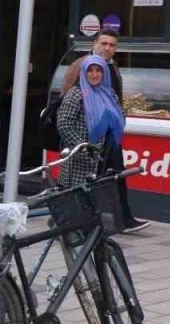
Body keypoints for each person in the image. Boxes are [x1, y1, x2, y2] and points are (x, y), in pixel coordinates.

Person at [62, 30, 148, 233]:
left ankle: (123, 220)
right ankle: (72, 222)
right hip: (88, 136)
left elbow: (114, 96)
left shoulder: (111, 67)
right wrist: (80, 142)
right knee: (83, 181)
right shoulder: (80, 66)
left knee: (116, 176)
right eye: (104, 43)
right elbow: (68, 102)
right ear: (95, 43)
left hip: (110, 135)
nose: (108, 48)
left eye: (112, 45)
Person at [56, 54, 124, 189]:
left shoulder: (109, 94)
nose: (94, 74)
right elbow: (64, 124)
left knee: (100, 199)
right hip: (81, 160)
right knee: (78, 201)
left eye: (98, 70)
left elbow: (119, 117)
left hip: (105, 156)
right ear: (84, 72)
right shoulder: (76, 94)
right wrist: (83, 146)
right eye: (90, 70)